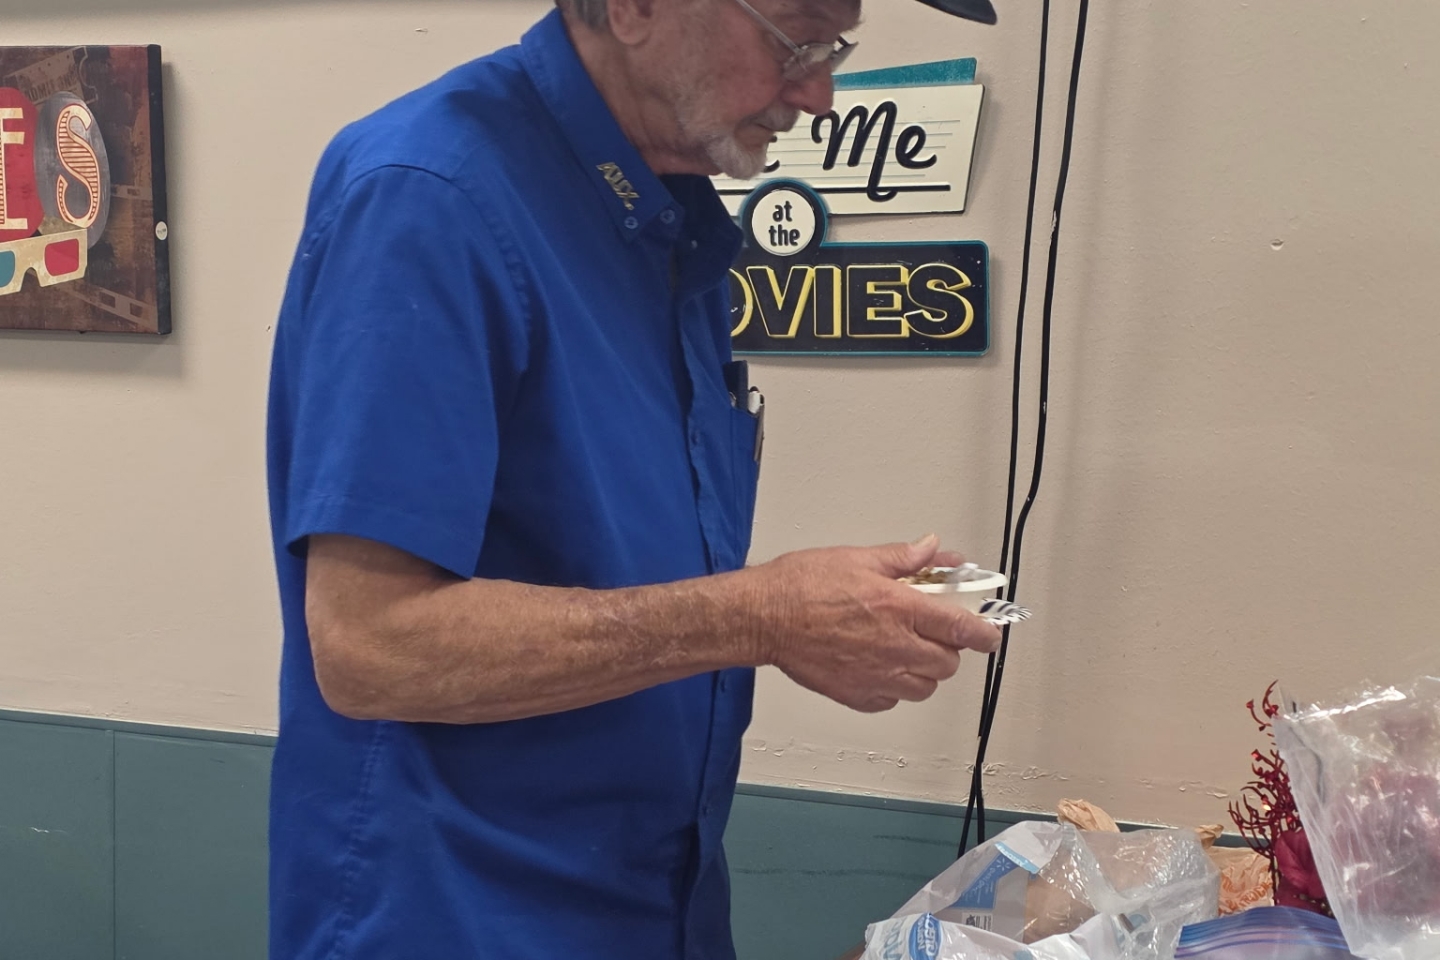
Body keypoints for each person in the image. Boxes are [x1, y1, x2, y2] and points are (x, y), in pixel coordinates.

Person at [264, 0, 998, 955]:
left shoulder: (666, 218)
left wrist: (790, 616)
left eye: (835, 47)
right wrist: (761, 616)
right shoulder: (430, 195)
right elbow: (371, 646)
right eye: (794, 39)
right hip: (458, 914)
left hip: (654, 899)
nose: (819, 93)